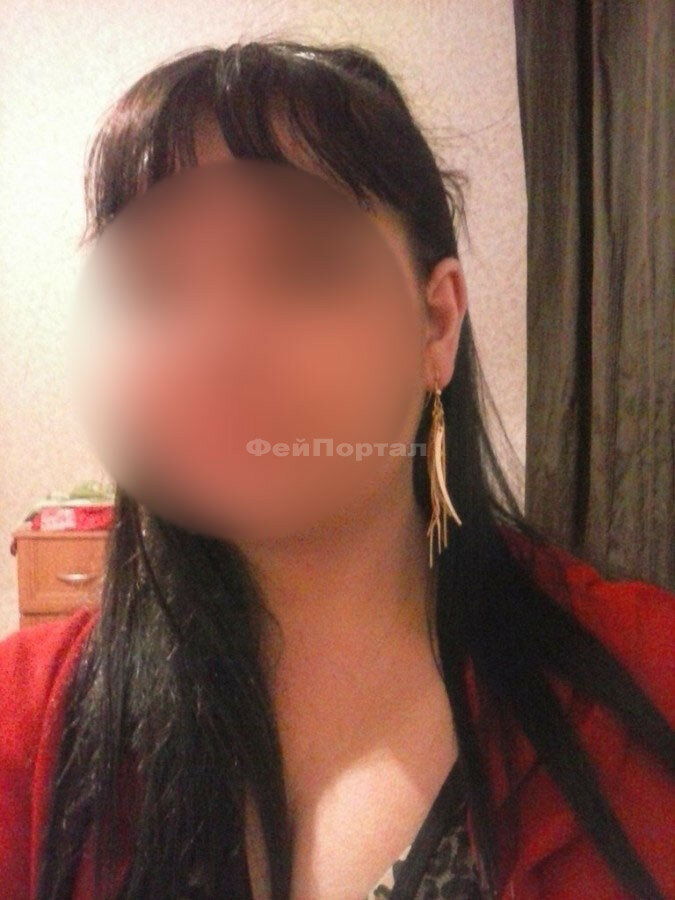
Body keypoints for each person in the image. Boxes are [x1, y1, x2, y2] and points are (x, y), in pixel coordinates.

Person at [0, 39, 673, 900]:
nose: (215, 344)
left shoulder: (646, 680)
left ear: (435, 324)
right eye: (153, 284)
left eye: (302, 267)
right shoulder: (31, 725)